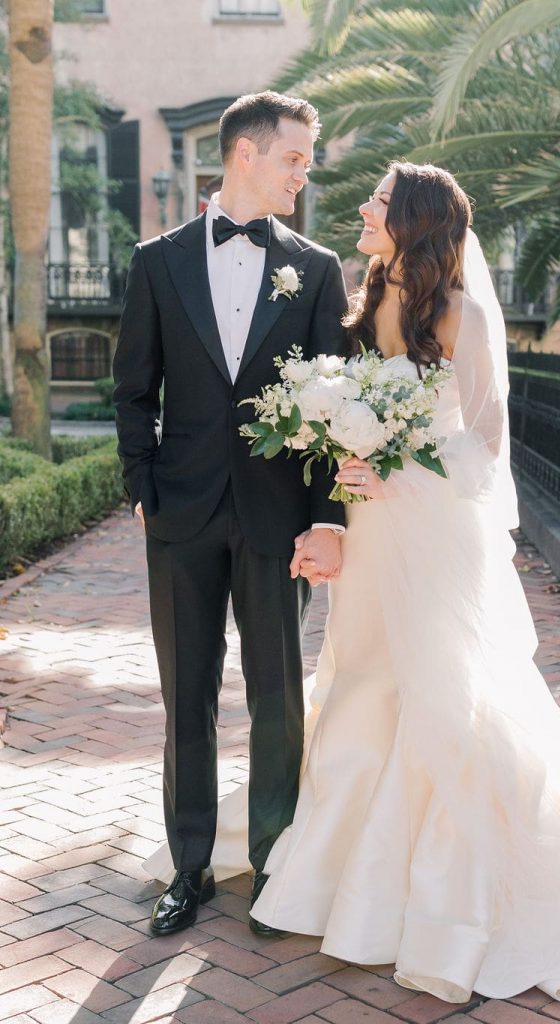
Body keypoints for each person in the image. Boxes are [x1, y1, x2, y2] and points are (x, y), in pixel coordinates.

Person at [144, 161, 560, 1003]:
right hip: (372, 525)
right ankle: (338, 860)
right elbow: (340, 396)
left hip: (434, 522)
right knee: (363, 673)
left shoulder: (462, 311)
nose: (363, 209)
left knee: (441, 687)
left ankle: (450, 889)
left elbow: (485, 440)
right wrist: (344, 466)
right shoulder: (366, 294)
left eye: (379, 201)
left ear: (415, 219)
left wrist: (394, 467)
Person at [114, 91, 348, 938]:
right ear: (245, 154)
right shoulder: (158, 260)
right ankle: (189, 868)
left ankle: (277, 869)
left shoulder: (317, 268)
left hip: (279, 518)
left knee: (279, 696)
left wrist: (327, 518)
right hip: (181, 514)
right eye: (294, 156)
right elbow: (134, 387)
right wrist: (141, 487)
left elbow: (335, 407)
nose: (304, 172)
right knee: (188, 697)